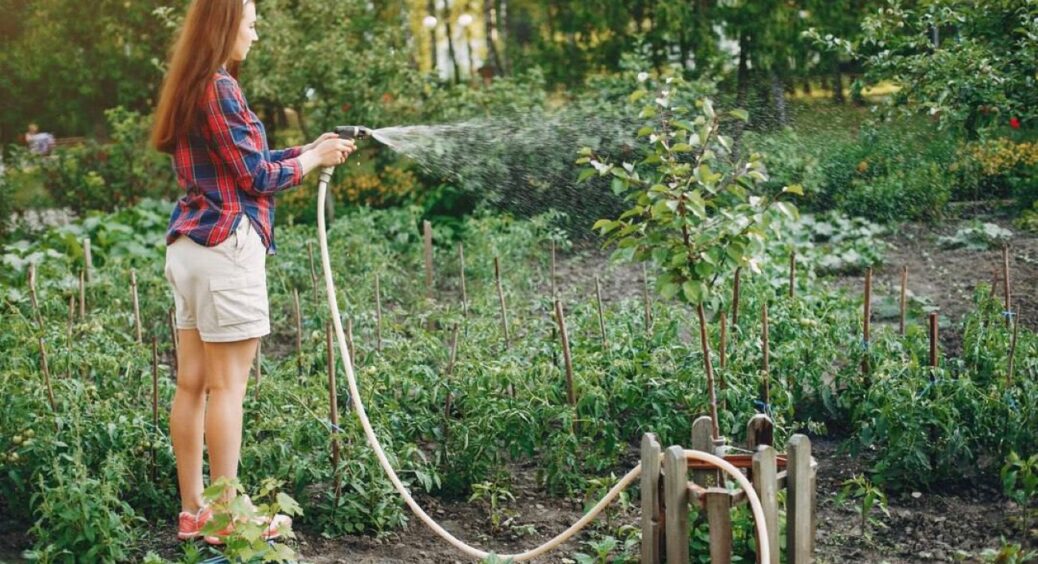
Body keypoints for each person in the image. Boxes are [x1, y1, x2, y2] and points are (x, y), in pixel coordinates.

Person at [149, 0, 356, 545]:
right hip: (226, 248)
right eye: (251, 21)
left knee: (193, 384)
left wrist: (308, 149)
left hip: (191, 247)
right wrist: (311, 163)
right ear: (225, 25)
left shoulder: (193, 84)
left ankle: (195, 510)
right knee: (228, 388)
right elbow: (258, 176)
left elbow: (241, 161)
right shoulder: (219, 87)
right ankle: (226, 519)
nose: (256, 33)